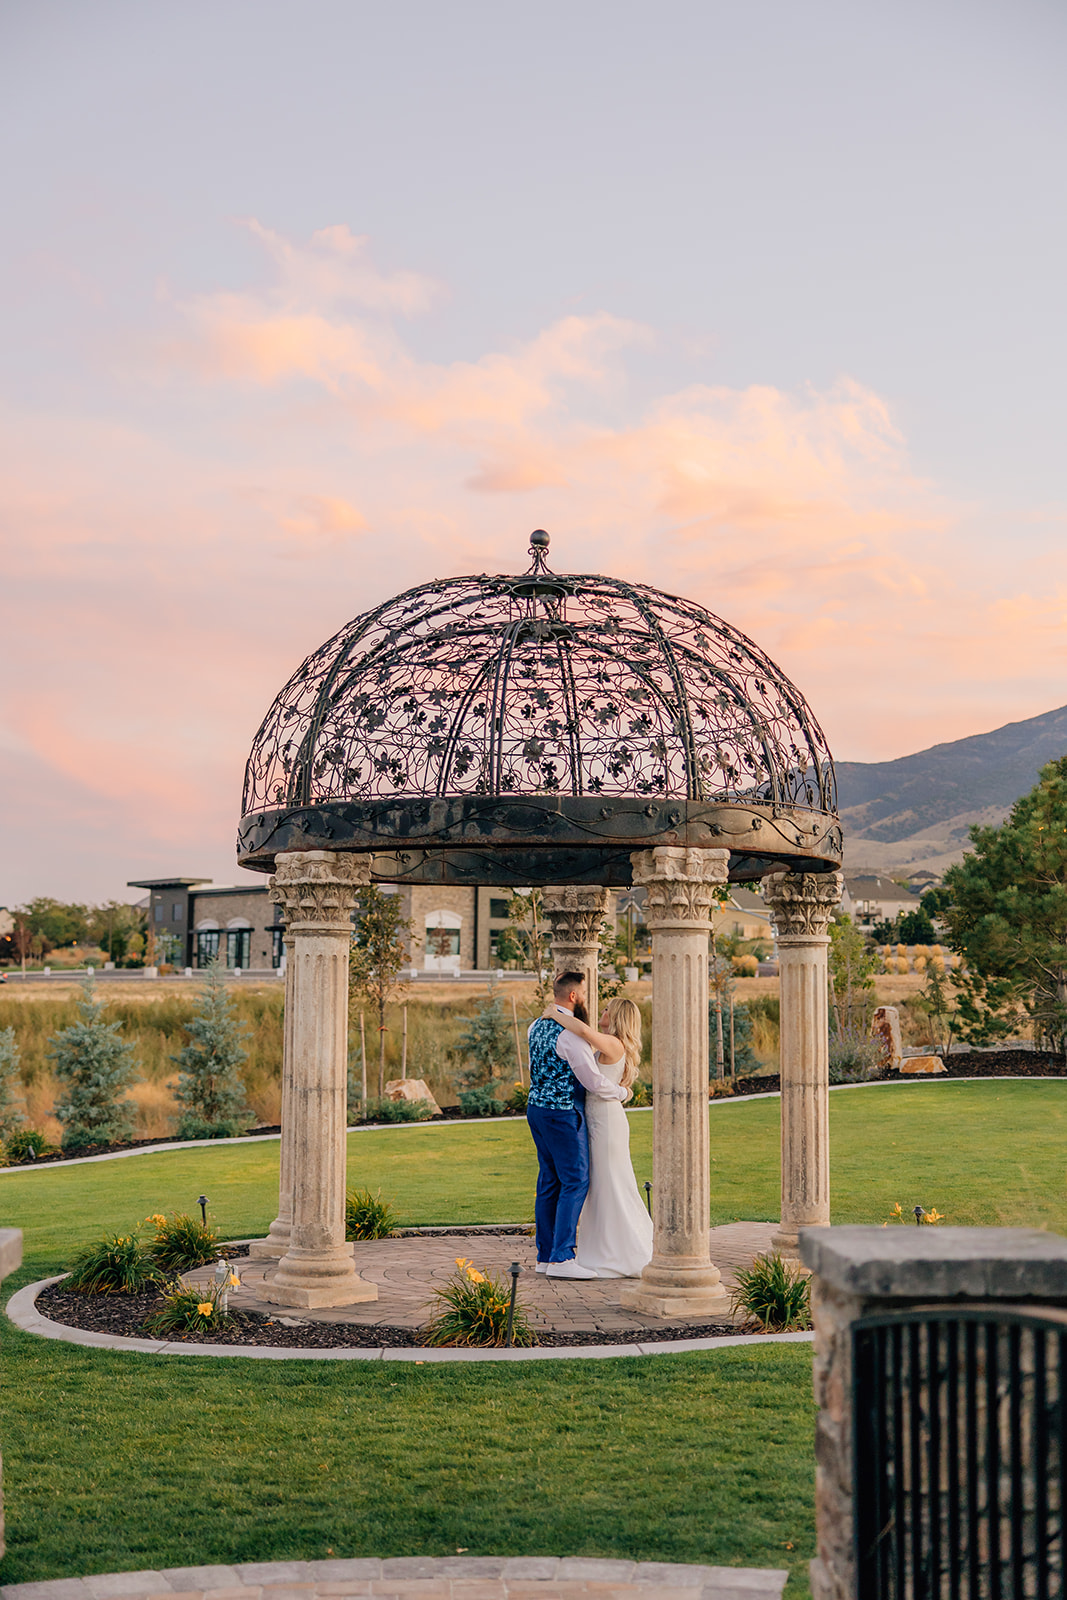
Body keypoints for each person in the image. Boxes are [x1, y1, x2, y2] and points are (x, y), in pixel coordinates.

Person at [526, 971, 630, 1279]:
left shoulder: (536, 1026)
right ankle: (562, 1258)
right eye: (584, 993)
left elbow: (537, 1067)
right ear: (574, 996)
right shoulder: (570, 1036)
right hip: (561, 1114)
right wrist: (623, 1092)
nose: (587, 999)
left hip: (536, 1109)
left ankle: (544, 1256)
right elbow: (592, 1081)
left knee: (549, 1181)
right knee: (575, 1180)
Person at [543, 996, 652, 1278]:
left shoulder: (614, 1043)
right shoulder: (611, 1043)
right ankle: (602, 1248)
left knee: (610, 1183)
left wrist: (554, 1013)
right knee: (601, 1185)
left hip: (605, 1121)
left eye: (606, 1009)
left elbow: (582, 1031)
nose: (602, 1012)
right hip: (597, 1117)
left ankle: (618, 1252)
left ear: (616, 1017)